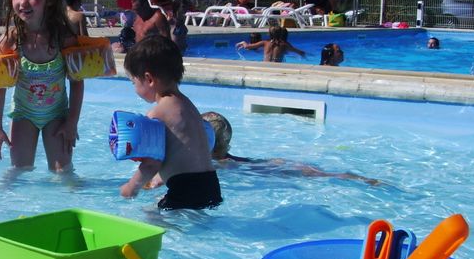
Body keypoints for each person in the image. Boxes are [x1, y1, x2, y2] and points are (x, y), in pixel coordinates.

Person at [0, 0, 84, 172]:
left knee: (63, 172)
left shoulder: (63, 38)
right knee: (19, 171)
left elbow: (77, 82)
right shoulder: (10, 41)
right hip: (24, 114)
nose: (24, 2)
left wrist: (71, 122)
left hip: (57, 115)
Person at [120, 34, 222, 210]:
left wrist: (131, 187)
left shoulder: (157, 113)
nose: (134, 87)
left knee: (150, 215)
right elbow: (185, 150)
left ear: (149, 79)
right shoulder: (187, 105)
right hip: (211, 184)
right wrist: (161, 177)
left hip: (186, 188)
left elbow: (152, 162)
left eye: (133, 82)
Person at [201, 111, 380, 185]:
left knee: (322, 175)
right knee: (320, 174)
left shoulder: (220, 164)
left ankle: (355, 178)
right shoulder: (227, 159)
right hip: (268, 164)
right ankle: (360, 178)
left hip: (266, 169)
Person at [236, 25, 305, 62]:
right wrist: (303, 54)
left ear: (269, 34)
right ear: (281, 34)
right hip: (277, 67)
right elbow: (298, 52)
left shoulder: (264, 43)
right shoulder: (284, 44)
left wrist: (243, 43)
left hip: (265, 66)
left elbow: (248, 47)